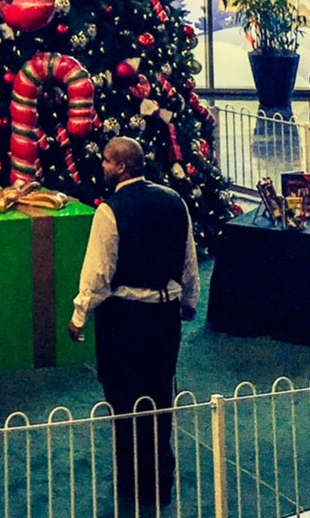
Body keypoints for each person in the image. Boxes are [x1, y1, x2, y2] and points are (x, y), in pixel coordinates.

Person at [69, 136, 199, 514]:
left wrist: (79, 316)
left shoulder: (109, 211)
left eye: (108, 161)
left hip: (124, 321)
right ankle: (161, 481)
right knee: (160, 396)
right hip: (164, 317)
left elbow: (97, 274)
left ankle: (131, 483)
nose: (103, 166)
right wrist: (189, 303)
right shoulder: (175, 202)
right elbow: (188, 261)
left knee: (124, 401)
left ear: (122, 166)